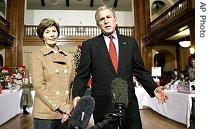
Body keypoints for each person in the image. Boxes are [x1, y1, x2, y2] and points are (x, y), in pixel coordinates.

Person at [72, 5, 168, 129]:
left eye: (108, 17)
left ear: (115, 20)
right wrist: (77, 95)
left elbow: (140, 71)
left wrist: (154, 89)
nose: (106, 21)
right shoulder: (89, 45)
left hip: (128, 104)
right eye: (102, 19)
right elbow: (83, 74)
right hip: (103, 104)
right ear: (98, 24)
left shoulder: (130, 42)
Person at [31, 18, 75, 129]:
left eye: (54, 31)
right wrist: (62, 106)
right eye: (47, 32)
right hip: (45, 113)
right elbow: (39, 86)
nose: (52, 35)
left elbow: (72, 85)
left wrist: (69, 107)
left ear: (58, 33)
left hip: (65, 114)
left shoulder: (68, 57)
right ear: (42, 36)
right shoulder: (37, 56)